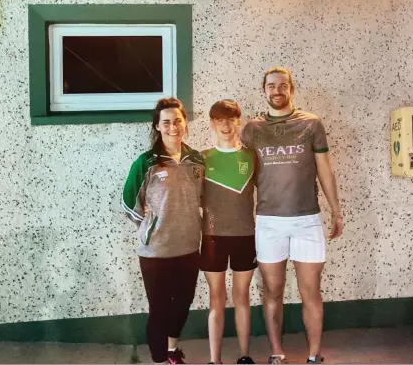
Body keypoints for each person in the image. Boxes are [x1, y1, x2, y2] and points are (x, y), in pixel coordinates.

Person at [241, 68, 344, 365]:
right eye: (271, 86)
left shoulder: (311, 123)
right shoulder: (252, 129)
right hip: (268, 222)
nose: (277, 90)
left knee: (310, 291)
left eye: (283, 85)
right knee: (272, 291)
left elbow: (325, 169)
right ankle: (277, 353)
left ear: (292, 90)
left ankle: (314, 356)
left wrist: (336, 210)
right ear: (264, 90)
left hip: (307, 220)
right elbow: (241, 175)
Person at [122, 97, 204, 365]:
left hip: (189, 247)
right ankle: (159, 358)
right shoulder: (146, 162)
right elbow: (128, 200)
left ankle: (171, 351)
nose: (173, 127)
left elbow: (204, 198)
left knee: (182, 303)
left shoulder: (197, 160)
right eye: (166, 122)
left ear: (185, 123)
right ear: (157, 126)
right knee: (159, 309)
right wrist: (148, 224)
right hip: (155, 251)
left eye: (177, 121)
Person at [201, 100, 258, 365]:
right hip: (212, 236)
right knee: (216, 299)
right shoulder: (201, 158)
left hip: (246, 235)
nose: (225, 125)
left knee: (242, 297)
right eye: (219, 120)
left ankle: (244, 356)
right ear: (212, 124)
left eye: (230, 119)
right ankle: (215, 360)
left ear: (238, 121)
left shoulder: (251, 156)